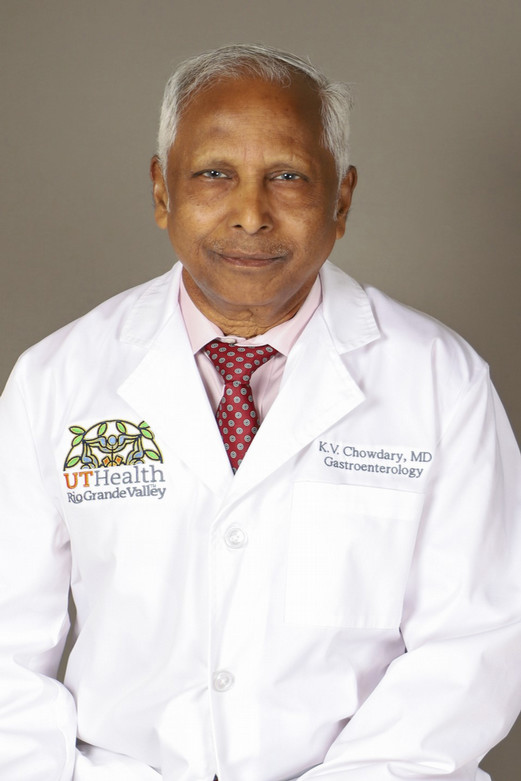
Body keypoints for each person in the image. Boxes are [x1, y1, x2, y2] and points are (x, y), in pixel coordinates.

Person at [0, 43, 520, 781]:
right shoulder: (56, 379)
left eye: (288, 177)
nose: (250, 214)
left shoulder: (441, 381)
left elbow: (478, 642)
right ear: (160, 191)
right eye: (214, 174)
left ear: (340, 199)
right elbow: (6, 653)